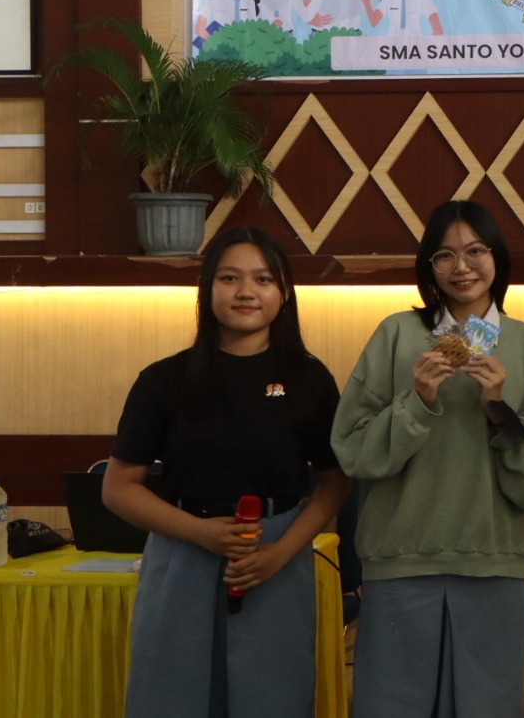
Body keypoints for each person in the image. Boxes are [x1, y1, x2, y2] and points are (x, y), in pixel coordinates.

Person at [332, 200, 524, 717]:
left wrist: (498, 411)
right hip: (399, 562)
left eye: (475, 251)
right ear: (429, 267)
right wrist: (417, 401)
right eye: (445, 255)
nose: (461, 266)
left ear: (497, 257)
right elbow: (351, 447)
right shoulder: (397, 334)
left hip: (493, 565)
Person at [104, 226, 349, 717]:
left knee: (273, 699)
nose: (245, 292)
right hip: (182, 552)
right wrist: (200, 533)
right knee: (171, 696)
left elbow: (334, 483)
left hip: (273, 559)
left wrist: (280, 553)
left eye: (263, 279)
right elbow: (118, 488)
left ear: (284, 292)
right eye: (229, 278)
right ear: (207, 288)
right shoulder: (164, 380)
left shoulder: (308, 378)